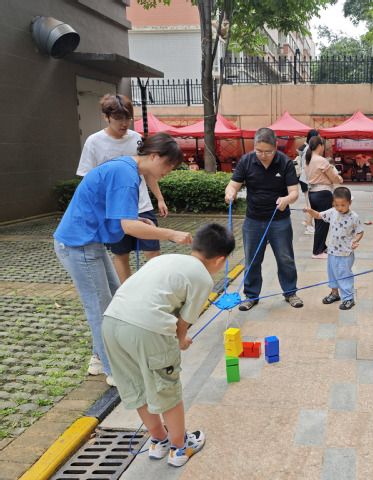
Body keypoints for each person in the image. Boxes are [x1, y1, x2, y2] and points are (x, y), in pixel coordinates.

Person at [54, 133, 192, 385]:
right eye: (168, 165)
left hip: (88, 243)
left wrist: (136, 219)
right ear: (154, 156)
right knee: (100, 309)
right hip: (78, 244)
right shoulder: (126, 175)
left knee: (112, 303)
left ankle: (100, 359)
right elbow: (128, 227)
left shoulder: (127, 169)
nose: (168, 172)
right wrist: (171, 234)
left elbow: (116, 212)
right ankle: (114, 371)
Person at [102, 223, 235, 468]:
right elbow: (183, 324)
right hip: (147, 329)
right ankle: (179, 447)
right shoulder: (202, 277)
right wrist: (181, 340)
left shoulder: (164, 259)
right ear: (220, 260)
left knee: (136, 386)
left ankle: (158, 441)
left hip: (111, 323)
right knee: (167, 389)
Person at [76, 94, 169, 284]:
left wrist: (159, 198)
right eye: (118, 118)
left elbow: (148, 171)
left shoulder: (137, 139)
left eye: (127, 118)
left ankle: (155, 289)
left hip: (142, 206)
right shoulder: (94, 142)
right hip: (114, 211)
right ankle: (126, 292)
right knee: (121, 253)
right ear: (106, 117)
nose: (124, 123)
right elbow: (88, 180)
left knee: (153, 251)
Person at [225, 128, 303, 311]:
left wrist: (286, 199)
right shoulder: (247, 161)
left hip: (279, 220)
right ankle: (251, 296)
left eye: (268, 152)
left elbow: (294, 192)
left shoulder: (285, 162)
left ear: (275, 147)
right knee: (252, 259)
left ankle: (290, 292)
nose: (263, 155)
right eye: (259, 151)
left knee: (285, 258)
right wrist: (230, 193)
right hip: (253, 220)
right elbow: (233, 184)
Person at [304, 187, 363, 310]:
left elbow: (360, 231)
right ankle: (334, 293)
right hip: (332, 251)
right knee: (332, 273)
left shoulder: (354, 217)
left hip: (345, 253)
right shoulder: (332, 212)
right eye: (336, 205)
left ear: (350, 203)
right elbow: (318, 215)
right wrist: (310, 211)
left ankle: (348, 298)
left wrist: (355, 241)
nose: (339, 208)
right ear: (333, 203)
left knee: (344, 275)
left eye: (343, 205)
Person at [304, 136, 344, 258]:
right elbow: (333, 178)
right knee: (323, 222)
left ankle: (321, 246)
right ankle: (317, 251)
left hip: (313, 193)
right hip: (323, 193)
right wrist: (339, 179)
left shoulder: (308, 160)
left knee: (319, 221)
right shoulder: (321, 160)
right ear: (320, 146)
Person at [296, 129, 319, 236]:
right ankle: (309, 225)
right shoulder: (308, 149)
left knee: (309, 202)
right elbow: (307, 166)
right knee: (310, 203)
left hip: (305, 179)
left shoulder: (306, 148)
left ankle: (307, 222)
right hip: (307, 179)